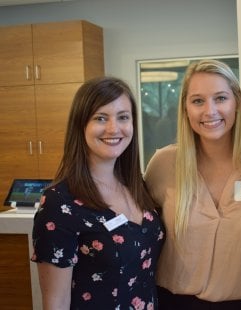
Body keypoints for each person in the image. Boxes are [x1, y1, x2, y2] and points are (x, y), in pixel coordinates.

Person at [144, 59, 241, 310]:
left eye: (220, 98)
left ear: (237, 102)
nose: (210, 111)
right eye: (198, 101)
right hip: (174, 303)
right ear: (186, 108)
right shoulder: (163, 165)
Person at [31, 77, 165, 310]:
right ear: (81, 125)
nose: (114, 128)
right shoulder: (59, 202)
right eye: (101, 118)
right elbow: (56, 302)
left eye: (123, 117)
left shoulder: (137, 186)